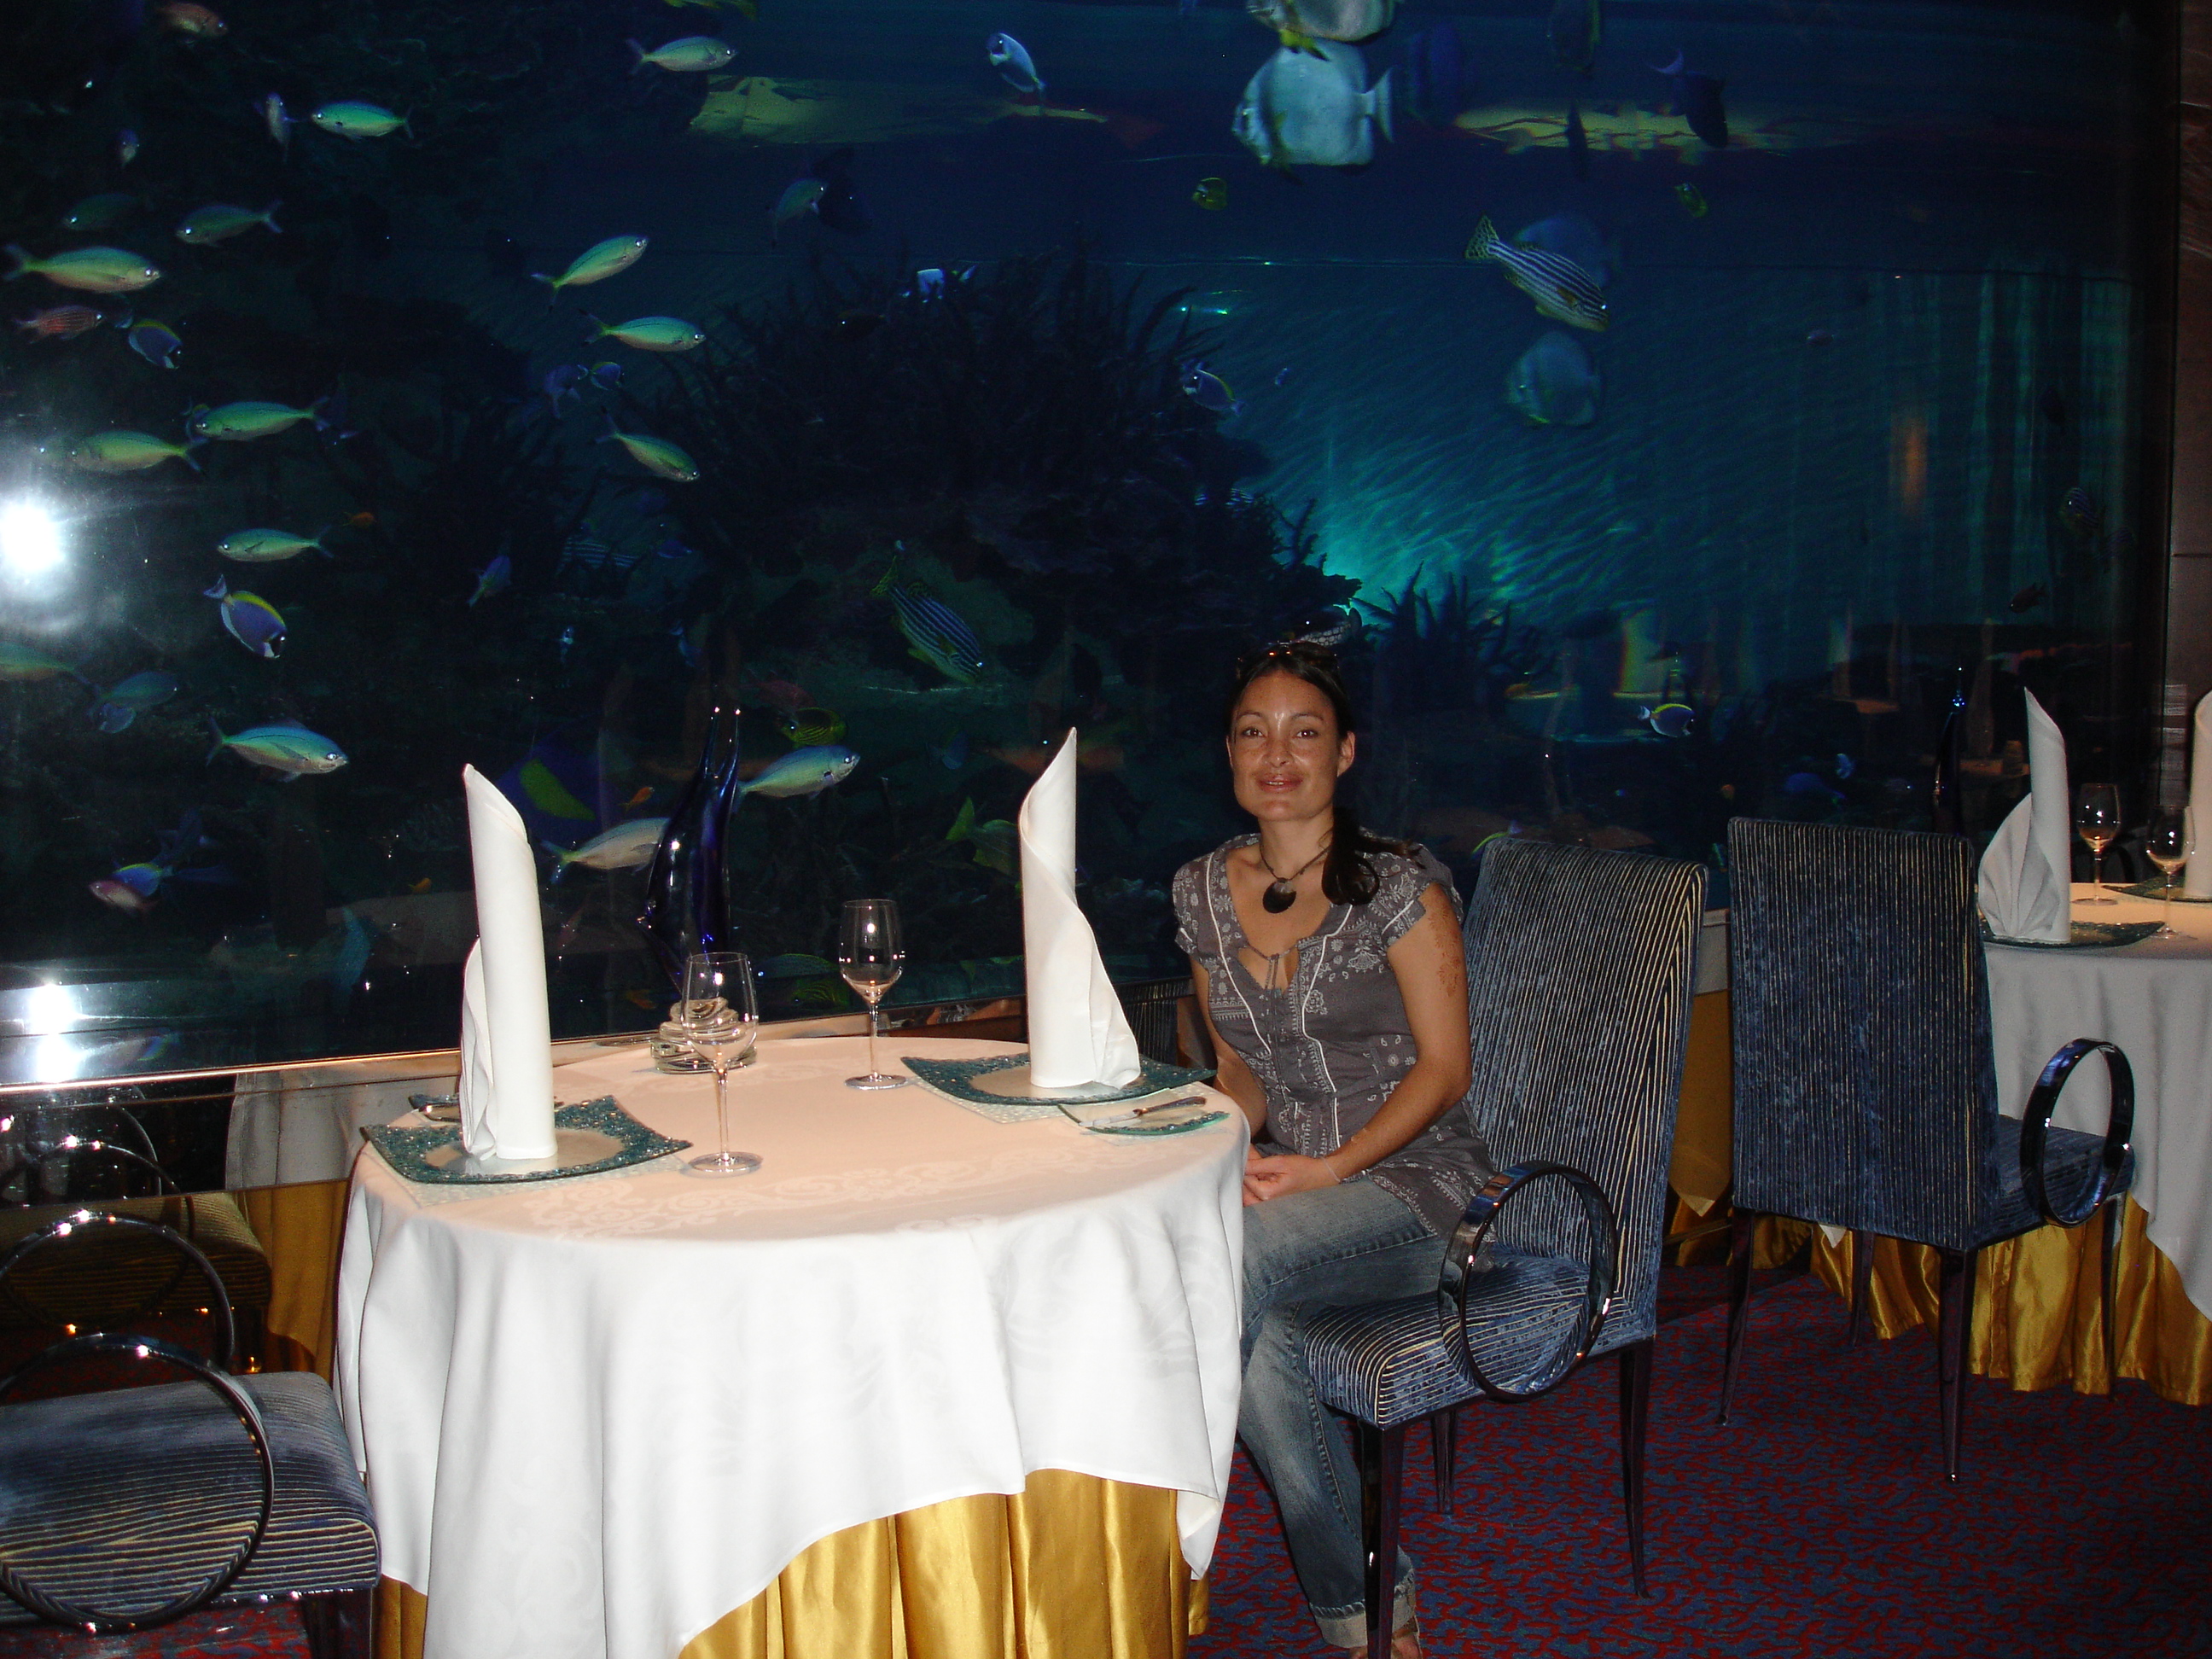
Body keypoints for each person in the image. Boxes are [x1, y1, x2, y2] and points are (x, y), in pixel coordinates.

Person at [1171, 642, 1490, 1657]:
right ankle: (1371, 1620)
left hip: (1421, 1188)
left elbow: (1446, 1069)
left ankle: (1149, 1526)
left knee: (1229, 1262)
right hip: (1296, 1181)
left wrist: (1328, 1170)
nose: (1278, 755)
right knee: (1264, 1348)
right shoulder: (1202, 891)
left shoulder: (1397, 887)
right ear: (1229, 752)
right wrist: (1217, 1150)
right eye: (1253, 733)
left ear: (1344, 753)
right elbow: (1240, 1071)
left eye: (1303, 733)